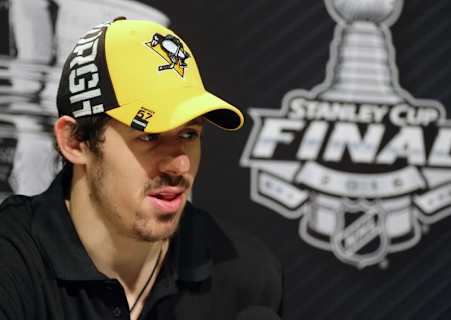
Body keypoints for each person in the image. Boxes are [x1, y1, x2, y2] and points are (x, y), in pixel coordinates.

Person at [0, 17, 283, 320]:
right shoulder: (11, 265)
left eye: (189, 134)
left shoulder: (244, 274)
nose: (180, 164)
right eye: (149, 137)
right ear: (76, 142)